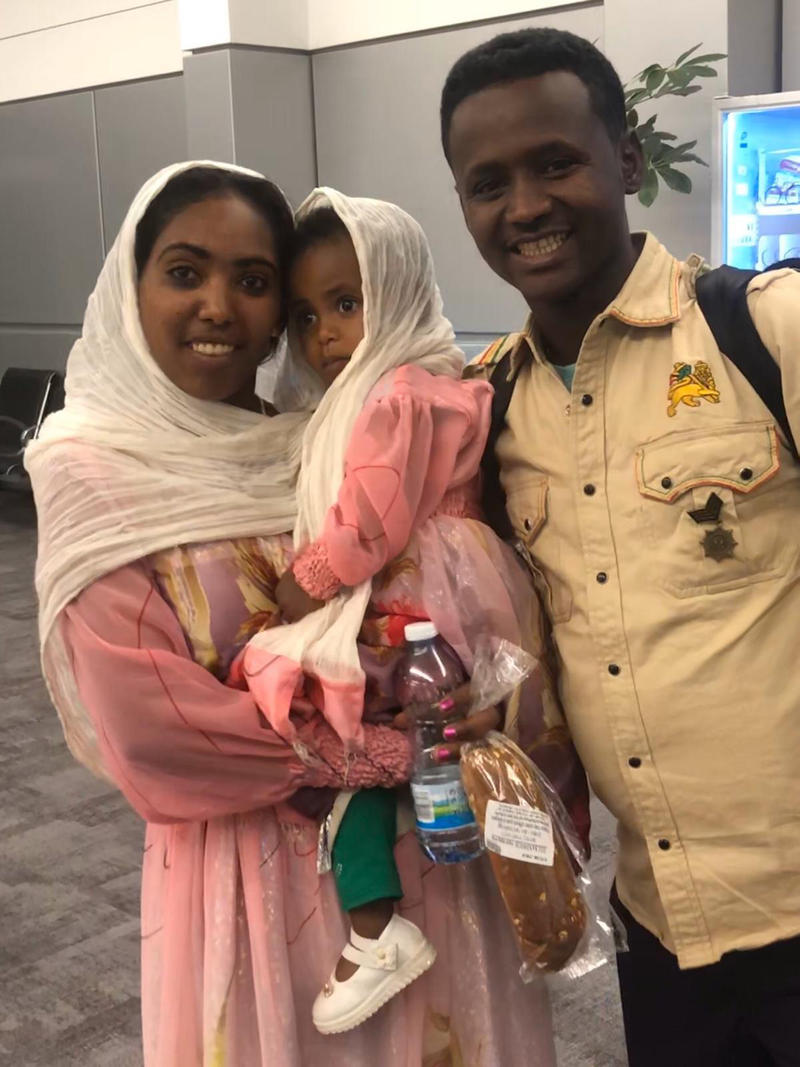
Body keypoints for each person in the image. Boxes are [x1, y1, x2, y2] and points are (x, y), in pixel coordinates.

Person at [26, 161, 559, 1067]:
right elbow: (152, 731)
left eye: (255, 280)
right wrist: (379, 751)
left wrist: (472, 703)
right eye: (186, 272)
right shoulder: (95, 471)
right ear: (132, 286)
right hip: (251, 878)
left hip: (424, 853)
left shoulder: (315, 439)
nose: (221, 306)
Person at [440, 26, 800, 1067]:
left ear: (626, 158)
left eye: (555, 161)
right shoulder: (487, 412)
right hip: (660, 930)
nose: (524, 206)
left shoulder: (757, 329)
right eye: (486, 182)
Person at [235, 189, 587, 1035]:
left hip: (421, 586)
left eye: (347, 304)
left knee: (344, 712)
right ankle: (419, 900)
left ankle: (384, 920)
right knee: (421, 745)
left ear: (395, 290)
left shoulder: (397, 394)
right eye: (306, 314)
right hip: (444, 583)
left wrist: (309, 579)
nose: (323, 333)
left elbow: (373, 514)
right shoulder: (428, 379)